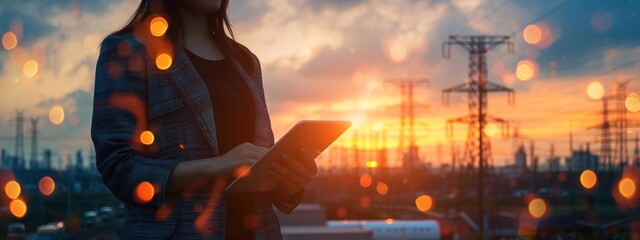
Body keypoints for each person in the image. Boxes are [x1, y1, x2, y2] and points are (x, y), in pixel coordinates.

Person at [91, 0, 317, 239]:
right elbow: (118, 167)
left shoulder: (246, 61)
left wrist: (288, 180)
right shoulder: (128, 50)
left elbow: (259, 160)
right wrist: (215, 166)